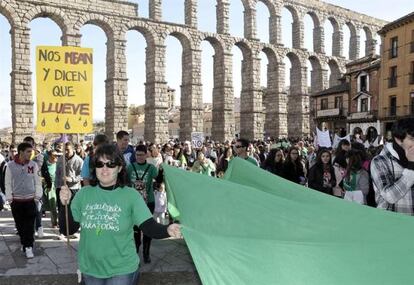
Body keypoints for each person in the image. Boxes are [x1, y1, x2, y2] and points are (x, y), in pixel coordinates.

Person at [59, 143, 181, 284]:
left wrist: (168, 229)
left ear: (120, 167)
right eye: (100, 164)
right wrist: (65, 205)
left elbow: (149, 226)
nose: (104, 169)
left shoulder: (131, 196)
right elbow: (67, 229)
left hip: (122, 270)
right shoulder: (84, 194)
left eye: (111, 164)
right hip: (90, 269)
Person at [5, 142, 42, 258]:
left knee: (30, 225)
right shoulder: (10, 166)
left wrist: (37, 196)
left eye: (31, 151)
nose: (31, 154)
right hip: (16, 201)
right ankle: (24, 243)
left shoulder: (33, 165)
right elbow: (7, 183)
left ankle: (29, 246)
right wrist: (10, 199)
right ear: (21, 152)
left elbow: (37, 182)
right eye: (28, 151)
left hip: (31, 200)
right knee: (20, 225)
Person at [371, 118, 414, 214]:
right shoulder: (380, 161)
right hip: (393, 223)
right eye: (412, 139)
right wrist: (411, 167)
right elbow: (389, 196)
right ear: (398, 139)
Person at [127, 145, 159, 263]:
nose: (139, 157)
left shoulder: (151, 168)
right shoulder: (130, 167)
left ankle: (146, 253)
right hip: (134, 203)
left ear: (146, 155)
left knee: (147, 229)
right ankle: (135, 253)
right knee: (135, 229)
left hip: (148, 201)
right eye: (137, 155)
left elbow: (159, 178)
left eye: (141, 155)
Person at [56, 142, 83, 236]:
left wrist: (71, 179)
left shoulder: (79, 160)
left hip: (74, 188)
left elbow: (82, 175)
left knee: (73, 210)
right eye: (65, 150)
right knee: (62, 210)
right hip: (62, 188)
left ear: (73, 149)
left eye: (68, 149)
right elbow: (57, 174)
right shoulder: (60, 159)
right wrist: (58, 186)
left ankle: (73, 230)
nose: (66, 152)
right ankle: (62, 230)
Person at [41, 150, 59, 228]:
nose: (56, 157)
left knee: (54, 204)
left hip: (57, 186)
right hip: (47, 186)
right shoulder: (44, 165)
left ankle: (55, 222)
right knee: (49, 205)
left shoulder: (58, 165)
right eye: (54, 155)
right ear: (49, 156)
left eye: (57, 155)